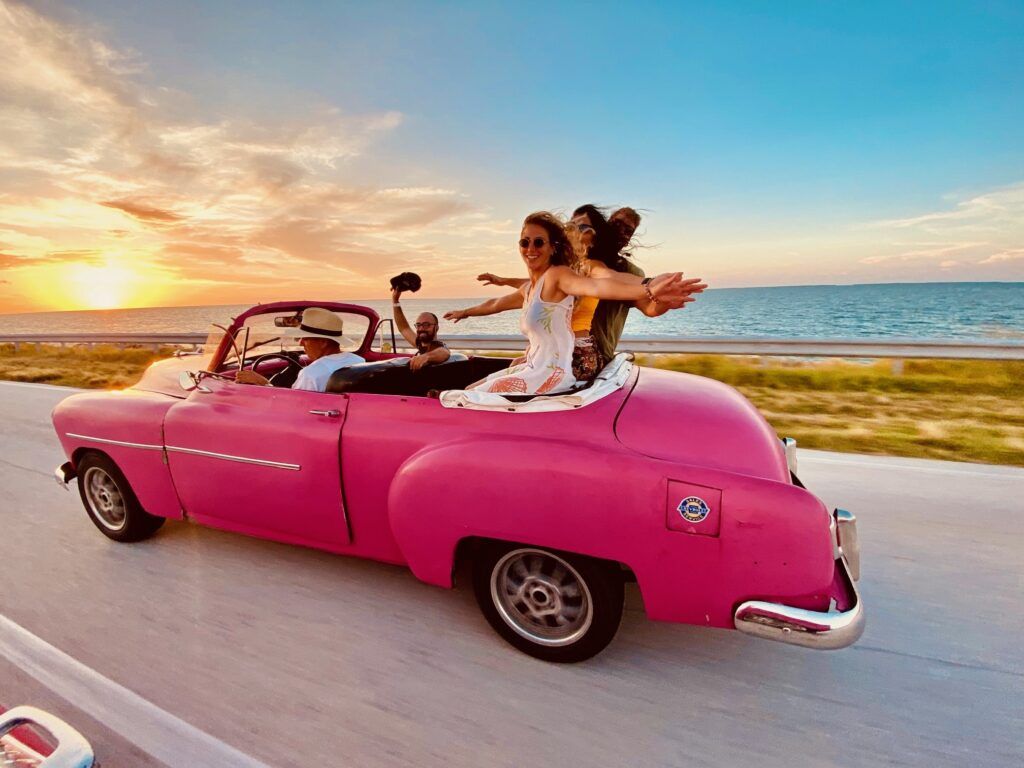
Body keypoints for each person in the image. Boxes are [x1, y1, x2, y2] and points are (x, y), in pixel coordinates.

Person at [457, 211, 695, 396]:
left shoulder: (588, 268)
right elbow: (507, 298)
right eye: (524, 242)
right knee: (479, 385)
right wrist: (470, 308)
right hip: (551, 354)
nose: (530, 248)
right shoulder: (549, 277)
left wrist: (649, 286)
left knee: (471, 395)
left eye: (539, 242)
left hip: (577, 356)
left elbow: (604, 283)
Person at [236, 307, 364, 392]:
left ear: (323, 342)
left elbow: (291, 406)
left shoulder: (311, 374)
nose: (301, 343)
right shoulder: (359, 361)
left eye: (305, 338)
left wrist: (263, 383)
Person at [391, 287, 451, 371]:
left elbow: (445, 352)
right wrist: (395, 300)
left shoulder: (437, 347)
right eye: (418, 325)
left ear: (436, 328)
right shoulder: (420, 345)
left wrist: (426, 357)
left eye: (426, 325)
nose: (421, 328)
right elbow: (404, 328)